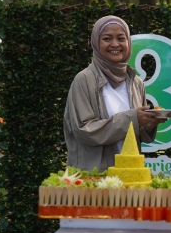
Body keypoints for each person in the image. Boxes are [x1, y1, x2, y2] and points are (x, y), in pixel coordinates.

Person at [63, 16, 164, 172]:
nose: (115, 44)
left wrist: (148, 124)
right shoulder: (84, 80)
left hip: (128, 174)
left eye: (121, 38)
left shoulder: (136, 82)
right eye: (107, 38)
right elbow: (84, 131)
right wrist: (133, 118)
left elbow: (138, 135)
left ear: (128, 43)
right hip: (94, 176)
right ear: (96, 43)